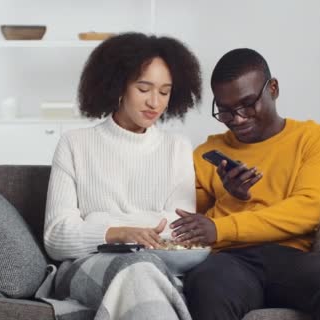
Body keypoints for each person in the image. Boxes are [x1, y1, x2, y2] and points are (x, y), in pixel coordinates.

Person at [171, 48, 320, 320]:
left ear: (273, 88)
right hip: (230, 261)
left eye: (247, 104)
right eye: (225, 111)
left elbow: (308, 211)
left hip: (294, 257)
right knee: (206, 284)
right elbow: (188, 218)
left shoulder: (315, 138)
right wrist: (229, 195)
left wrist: (221, 227)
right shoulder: (207, 152)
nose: (237, 119)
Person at [41, 32, 201, 320]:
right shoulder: (74, 144)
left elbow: (181, 233)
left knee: (143, 269)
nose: (154, 102)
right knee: (138, 270)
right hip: (85, 269)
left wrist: (96, 221)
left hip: (160, 269)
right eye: (143, 88)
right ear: (118, 85)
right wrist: (119, 233)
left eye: (164, 92)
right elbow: (56, 237)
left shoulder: (177, 147)